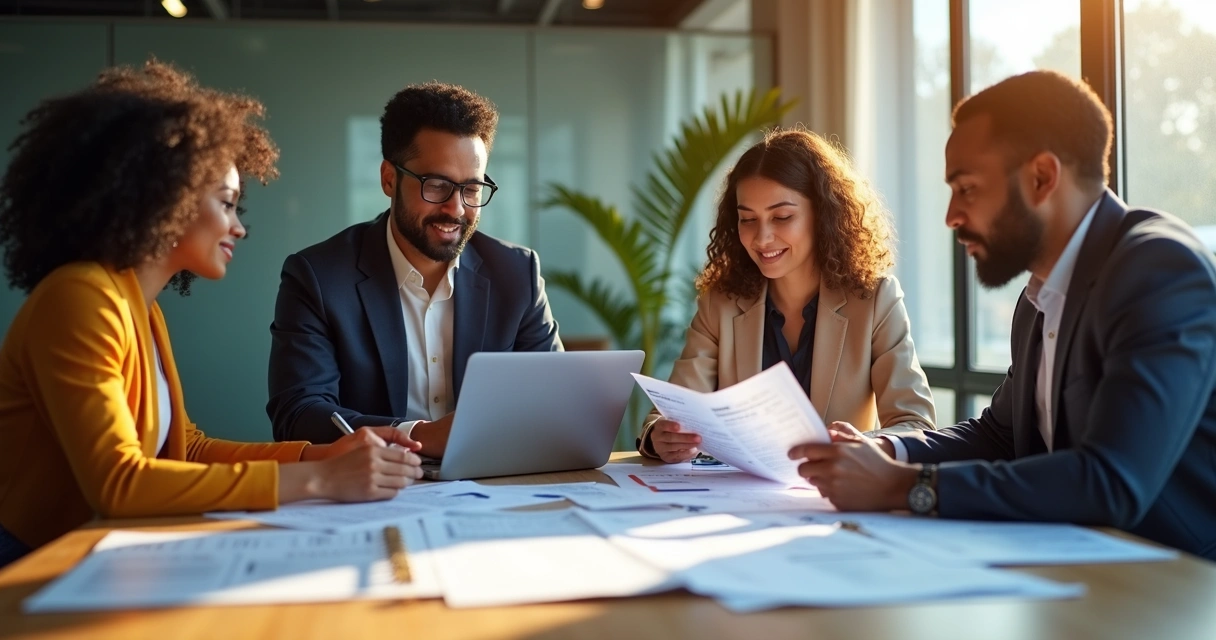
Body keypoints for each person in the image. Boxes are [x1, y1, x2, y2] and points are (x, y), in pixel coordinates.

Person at [0, 61, 424, 569]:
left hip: (98, 557)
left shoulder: (139, 308)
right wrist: (319, 480)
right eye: (226, 203)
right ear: (164, 199)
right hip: (30, 565)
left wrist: (323, 454)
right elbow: (119, 483)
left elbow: (186, 449)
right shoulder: (80, 297)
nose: (238, 227)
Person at [789, 70, 1216, 561]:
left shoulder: (1160, 271)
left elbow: (1110, 480)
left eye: (967, 189)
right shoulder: (1039, 295)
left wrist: (905, 485)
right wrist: (886, 452)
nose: (951, 215)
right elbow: (1000, 434)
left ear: (1042, 177)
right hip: (1071, 563)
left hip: (1174, 581)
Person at [266, 82, 562, 456]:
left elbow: (555, 400)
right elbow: (298, 414)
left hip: (491, 479)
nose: (456, 209)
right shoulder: (318, 277)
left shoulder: (517, 273)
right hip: (373, 483)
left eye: (472, 189)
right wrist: (422, 435)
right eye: (436, 185)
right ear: (389, 179)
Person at [639, 129, 936, 463]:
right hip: (739, 490)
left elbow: (915, 425)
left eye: (782, 217)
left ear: (824, 214)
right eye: (747, 219)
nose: (762, 238)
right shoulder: (720, 303)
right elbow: (670, 413)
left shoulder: (875, 299)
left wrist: (852, 445)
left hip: (836, 489)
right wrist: (661, 435)